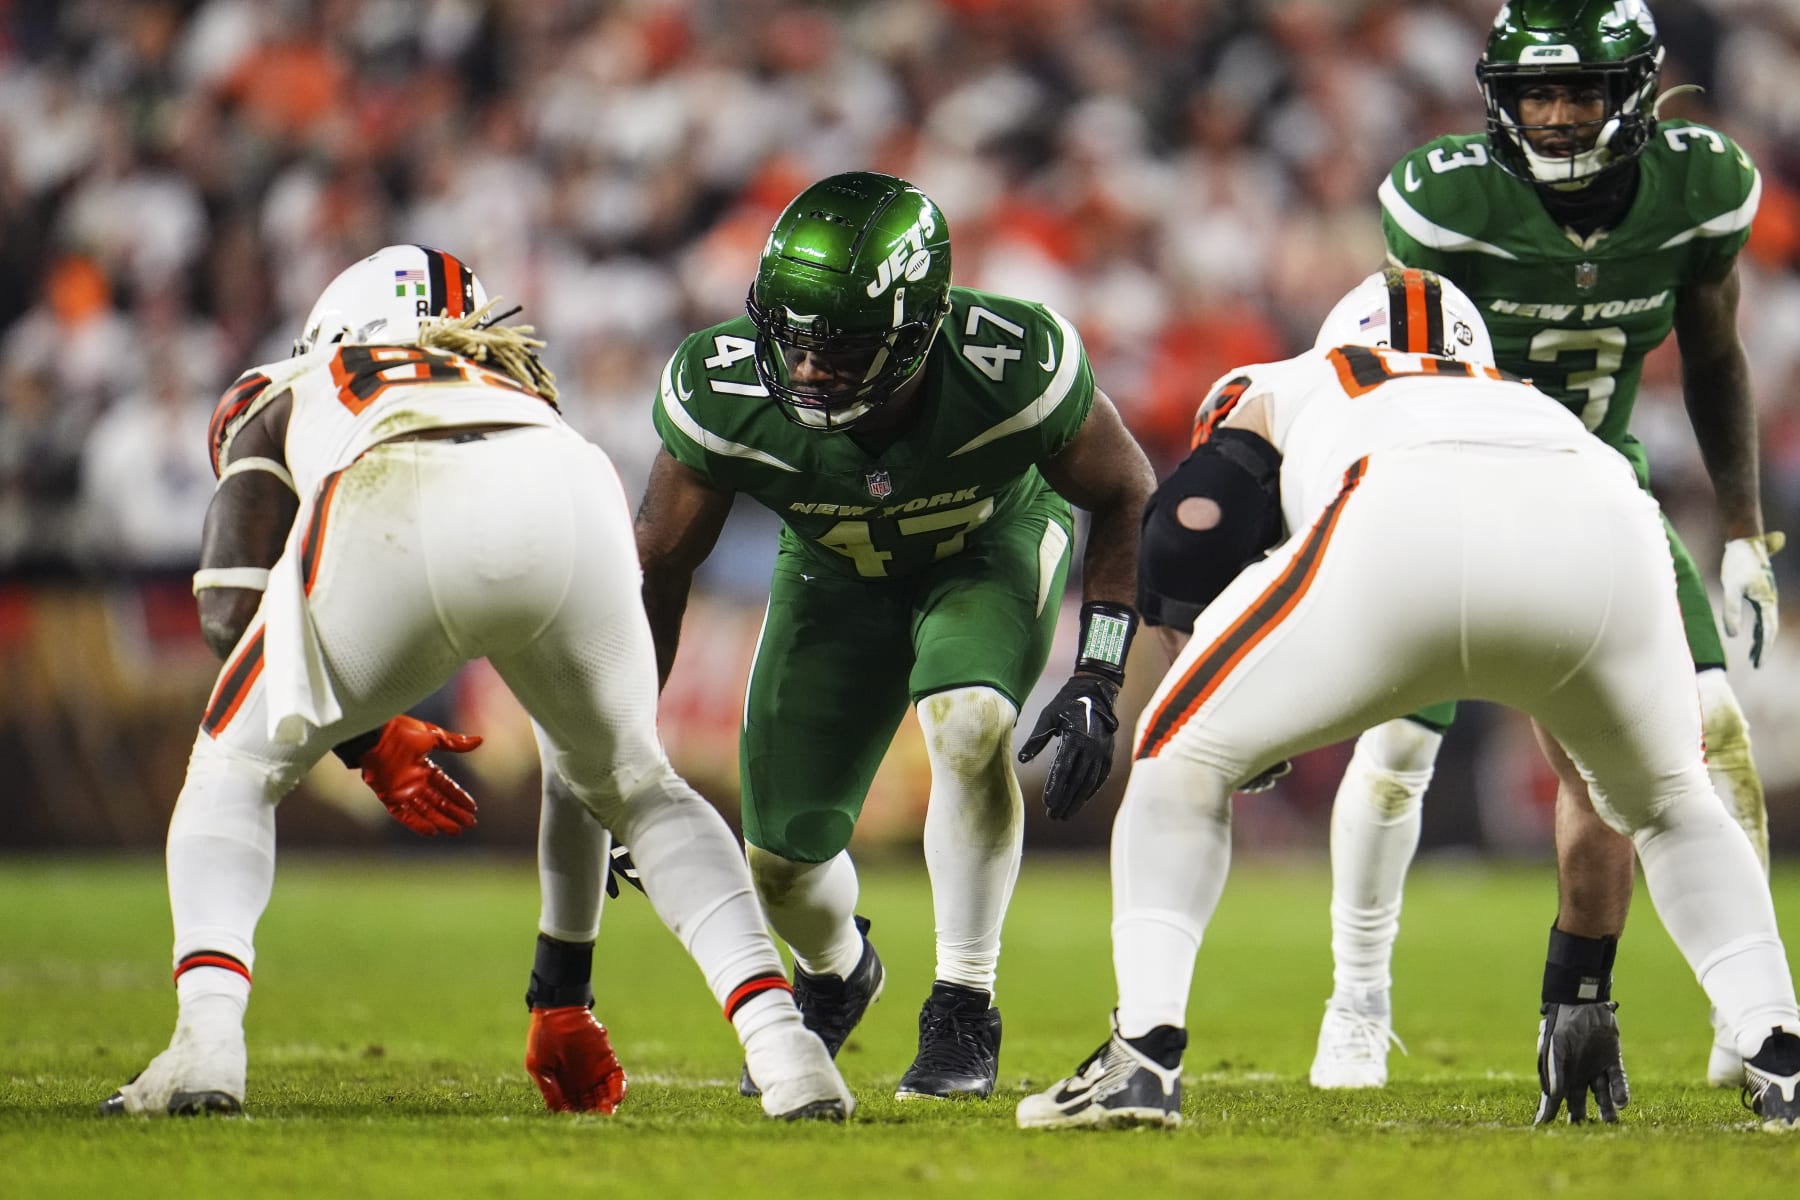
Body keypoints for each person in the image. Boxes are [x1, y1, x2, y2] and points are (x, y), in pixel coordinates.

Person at [1015, 266, 1800, 1131]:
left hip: (1399, 524)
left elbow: (1189, 526)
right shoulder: (1526, 398)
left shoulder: (1295, 378)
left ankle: (1144, 1054)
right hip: (1608, 518)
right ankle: (1781, 1051)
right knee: (1674, 803)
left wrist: (1216, 690)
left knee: (1177, 753)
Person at [99, 244, 853, 1122]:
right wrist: (560, 992)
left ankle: (207, 1045)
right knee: (640, 787)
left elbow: (230, 615)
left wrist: (364, 734)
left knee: (232, 768)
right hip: (570, 483)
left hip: (394, 478)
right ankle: (784, 1046)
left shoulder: (294, 378)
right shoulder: (525, 388)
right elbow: (574, 778)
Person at [542, 170, 1155, 1102]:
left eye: (842, 348)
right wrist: (621, 740)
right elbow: (658, 565)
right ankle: (837, 971)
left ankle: (963, 1002)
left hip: (986, 547)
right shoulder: (729, 386)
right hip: (832, 575)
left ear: (918, 333)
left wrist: (1101, 671)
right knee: (780, 864)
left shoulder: (1007, 363)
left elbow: (1125, 491)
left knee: (969, 719)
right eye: (791, 338)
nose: (807, 368)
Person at [1311, 0, 1784, 1114]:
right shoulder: (1448, 202)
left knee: (1710, 735)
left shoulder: (1701, 189)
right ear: (1499, 98)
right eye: (1538, 94)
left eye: (1581, 91)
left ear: (1636, 91)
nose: (1560, 115)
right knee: (1398, 747)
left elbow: (1716, 360)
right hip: (1451, 479)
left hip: (1601, 484)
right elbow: (1393, 373)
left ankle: (1750, 1017)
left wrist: (1746, 528)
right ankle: (1359, 1001)